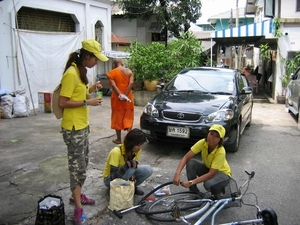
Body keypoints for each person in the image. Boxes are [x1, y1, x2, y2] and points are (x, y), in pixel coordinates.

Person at [58, 39, 108, 224]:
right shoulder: (71, 73)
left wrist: (92, 89)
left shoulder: (81, 72)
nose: (97, 62)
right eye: (95, 59)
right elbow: (62, 102)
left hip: (82, 125)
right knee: (76, 168)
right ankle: (78, 208)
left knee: (83, 163)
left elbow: (79, 94)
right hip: (73, 128)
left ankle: (76, 195)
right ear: (87, 56)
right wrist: (88, 102)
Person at [173, 124, 232, 197]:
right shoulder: (203, 142)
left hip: (222, 174)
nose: (212, 138)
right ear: (208, 133)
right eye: (211, 134)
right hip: (209, 169)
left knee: (208, 184)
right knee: (191, 163)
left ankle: (218, 192)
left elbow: (211, 174)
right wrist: (177, 173)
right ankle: (194, 192)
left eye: (217, 136)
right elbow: (186, 158)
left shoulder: (221, 151)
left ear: (220, 140)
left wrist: (191, 182)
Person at [103, 128, 153, 195]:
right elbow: (113, 175)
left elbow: (133, 165)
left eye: (141, 145)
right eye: (138, 145)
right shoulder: (116, 152)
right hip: (110, 180)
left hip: (125, 174)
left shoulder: (137, 150)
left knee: (148, 169)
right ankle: (120, 189)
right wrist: (128, 172)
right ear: (131, 143)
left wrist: (132, 177)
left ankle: (131, 187)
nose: (140, 147)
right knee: (130, 169)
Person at [106, 58, 134, 144]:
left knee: (117, 116)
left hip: (117, 98)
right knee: (128, 114)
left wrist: (120, 95)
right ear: (122, 63)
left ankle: (119, 139)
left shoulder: (112, 73)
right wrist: (125, 95)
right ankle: (129, 139)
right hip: (128, 96)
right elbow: (131, 83)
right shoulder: (129, 71)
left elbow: (113, 85)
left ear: (114, 64)